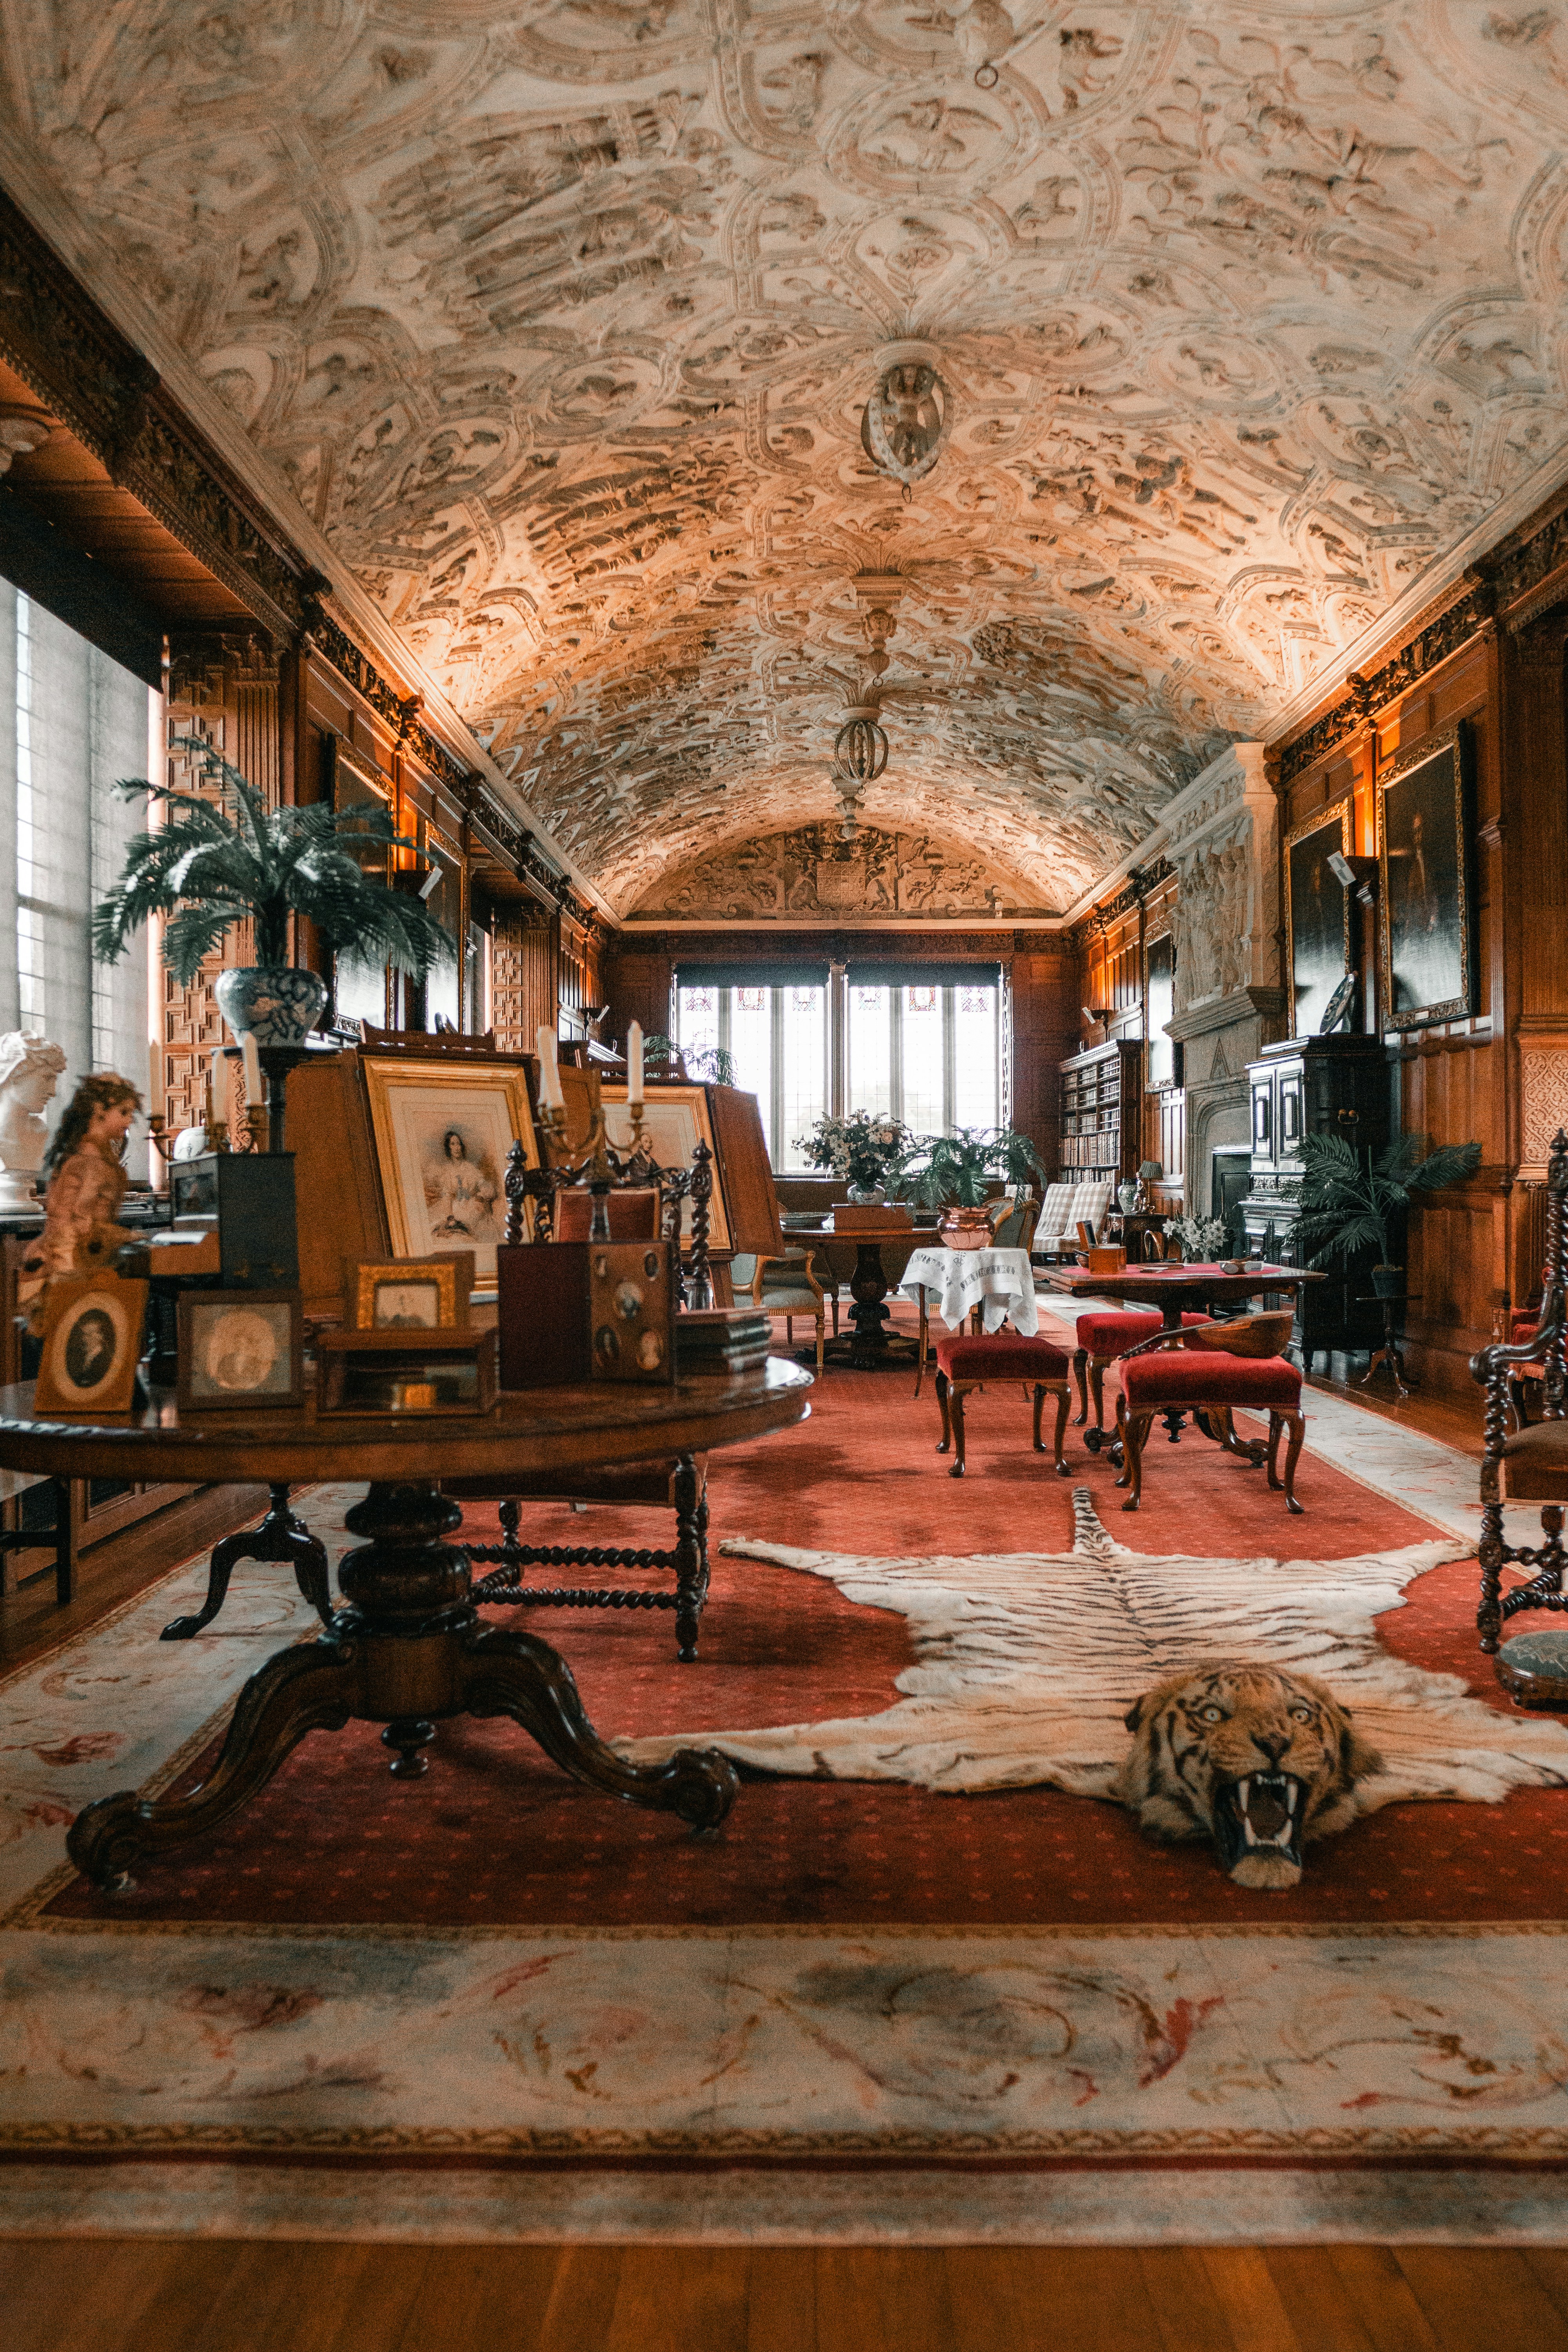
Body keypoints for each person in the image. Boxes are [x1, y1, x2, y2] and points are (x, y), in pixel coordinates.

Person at [25, 1073, 141, 1323]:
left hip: (83, 1263)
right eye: (123, 1113)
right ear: (100, 1111)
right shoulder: (88, 1163)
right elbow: (78, 1226)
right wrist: (130, 1236)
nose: (129, 1121)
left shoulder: (93, 1158)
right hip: (72, 1270)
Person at [427, 1129, 498, 1244]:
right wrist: (449, 1216)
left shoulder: (470, 1168)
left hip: (472, 1205)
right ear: (449, 1148)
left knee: (474, 1225)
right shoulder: (447, 1172)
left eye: (459, 1144)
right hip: (455, 1207)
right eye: (453, 1144)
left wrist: (483, 1195)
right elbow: (447, 1196)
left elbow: (485, 1187)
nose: (457, 1148)